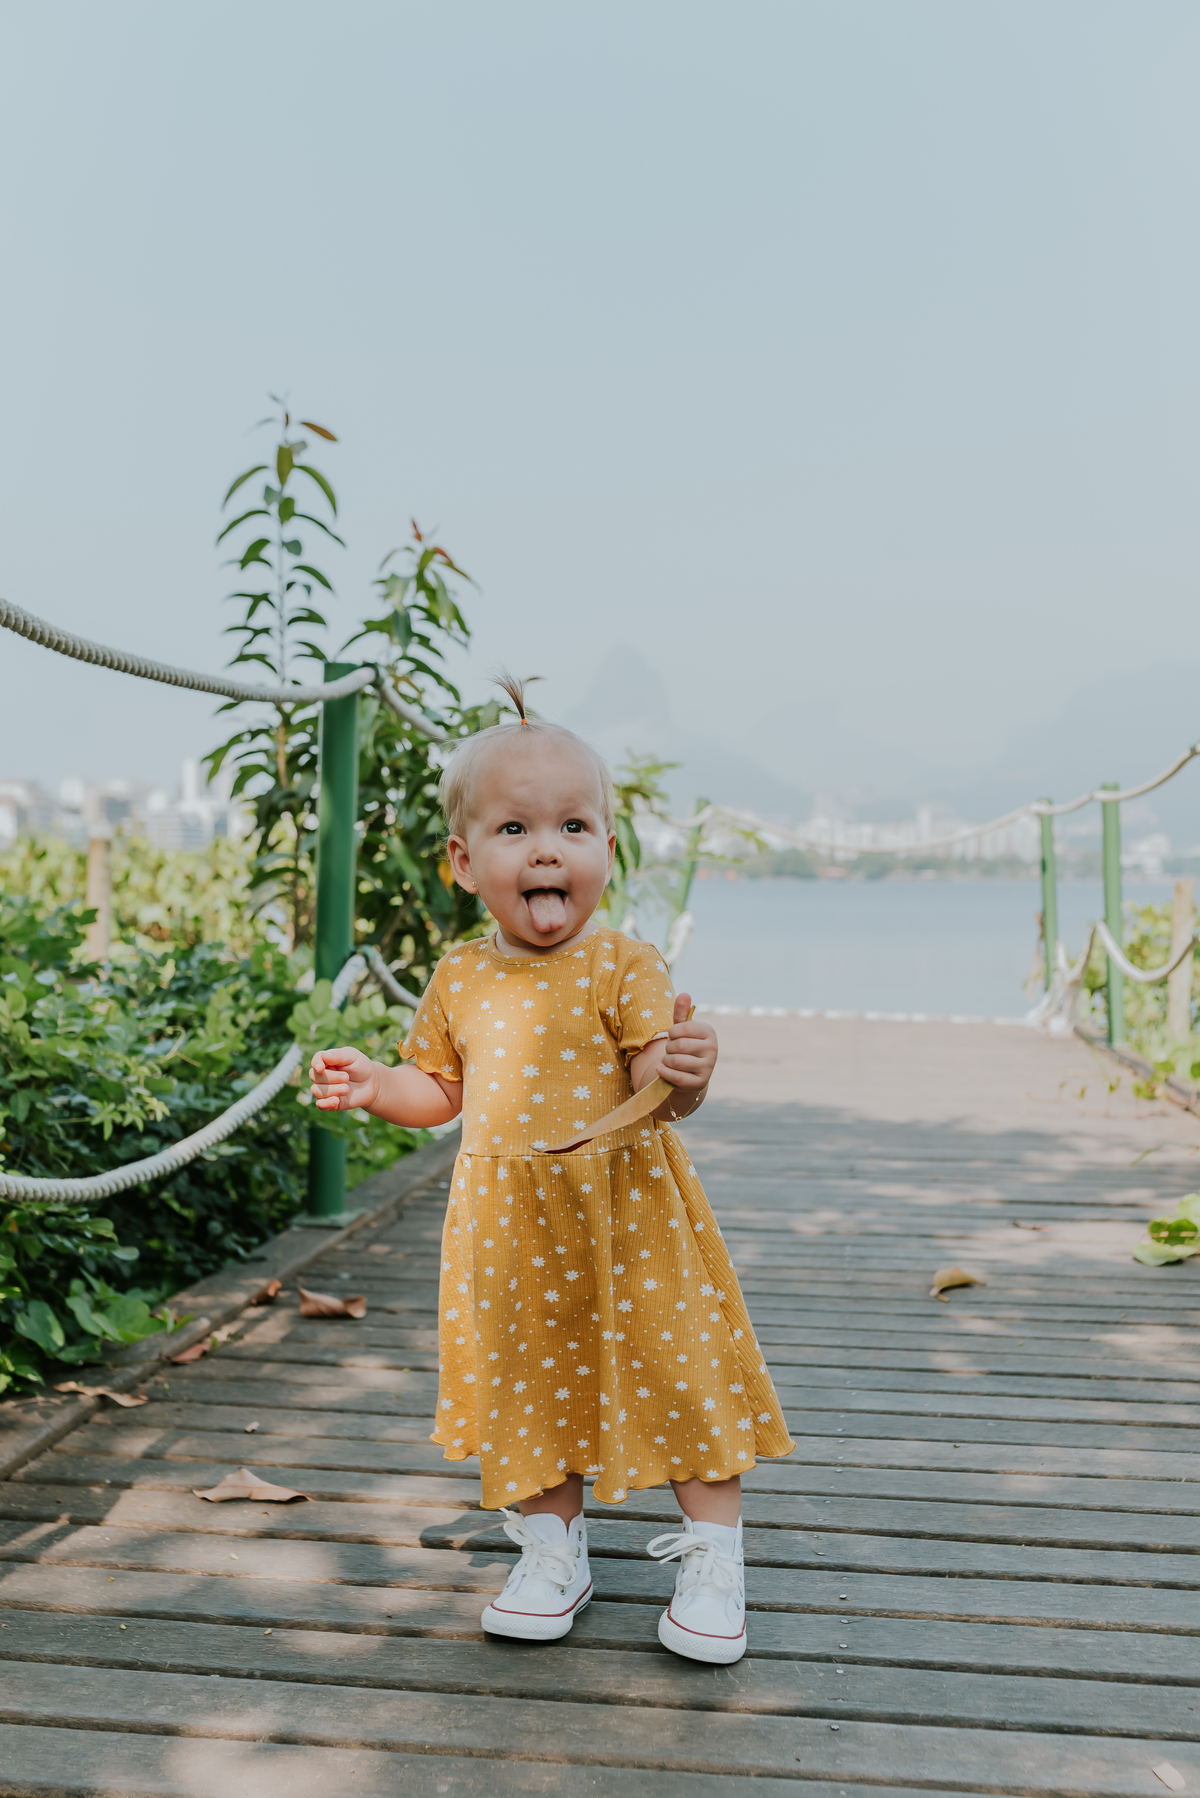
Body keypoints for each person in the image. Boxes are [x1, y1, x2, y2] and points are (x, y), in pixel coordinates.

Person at [309, 674, 793, 1665]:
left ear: (606, 852)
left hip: (630, 1217)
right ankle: (550, 1550)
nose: (545, 849)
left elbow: (659, 1076)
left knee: (679, 1369)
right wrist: (374, 1085)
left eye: (574, 826)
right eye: (515, 828)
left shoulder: (624, 965)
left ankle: (713, 1557)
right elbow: (439, 1087)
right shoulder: (461, 975)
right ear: (463, 859)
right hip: (509, 1227)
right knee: (527, 1385)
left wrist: (682, 1070)